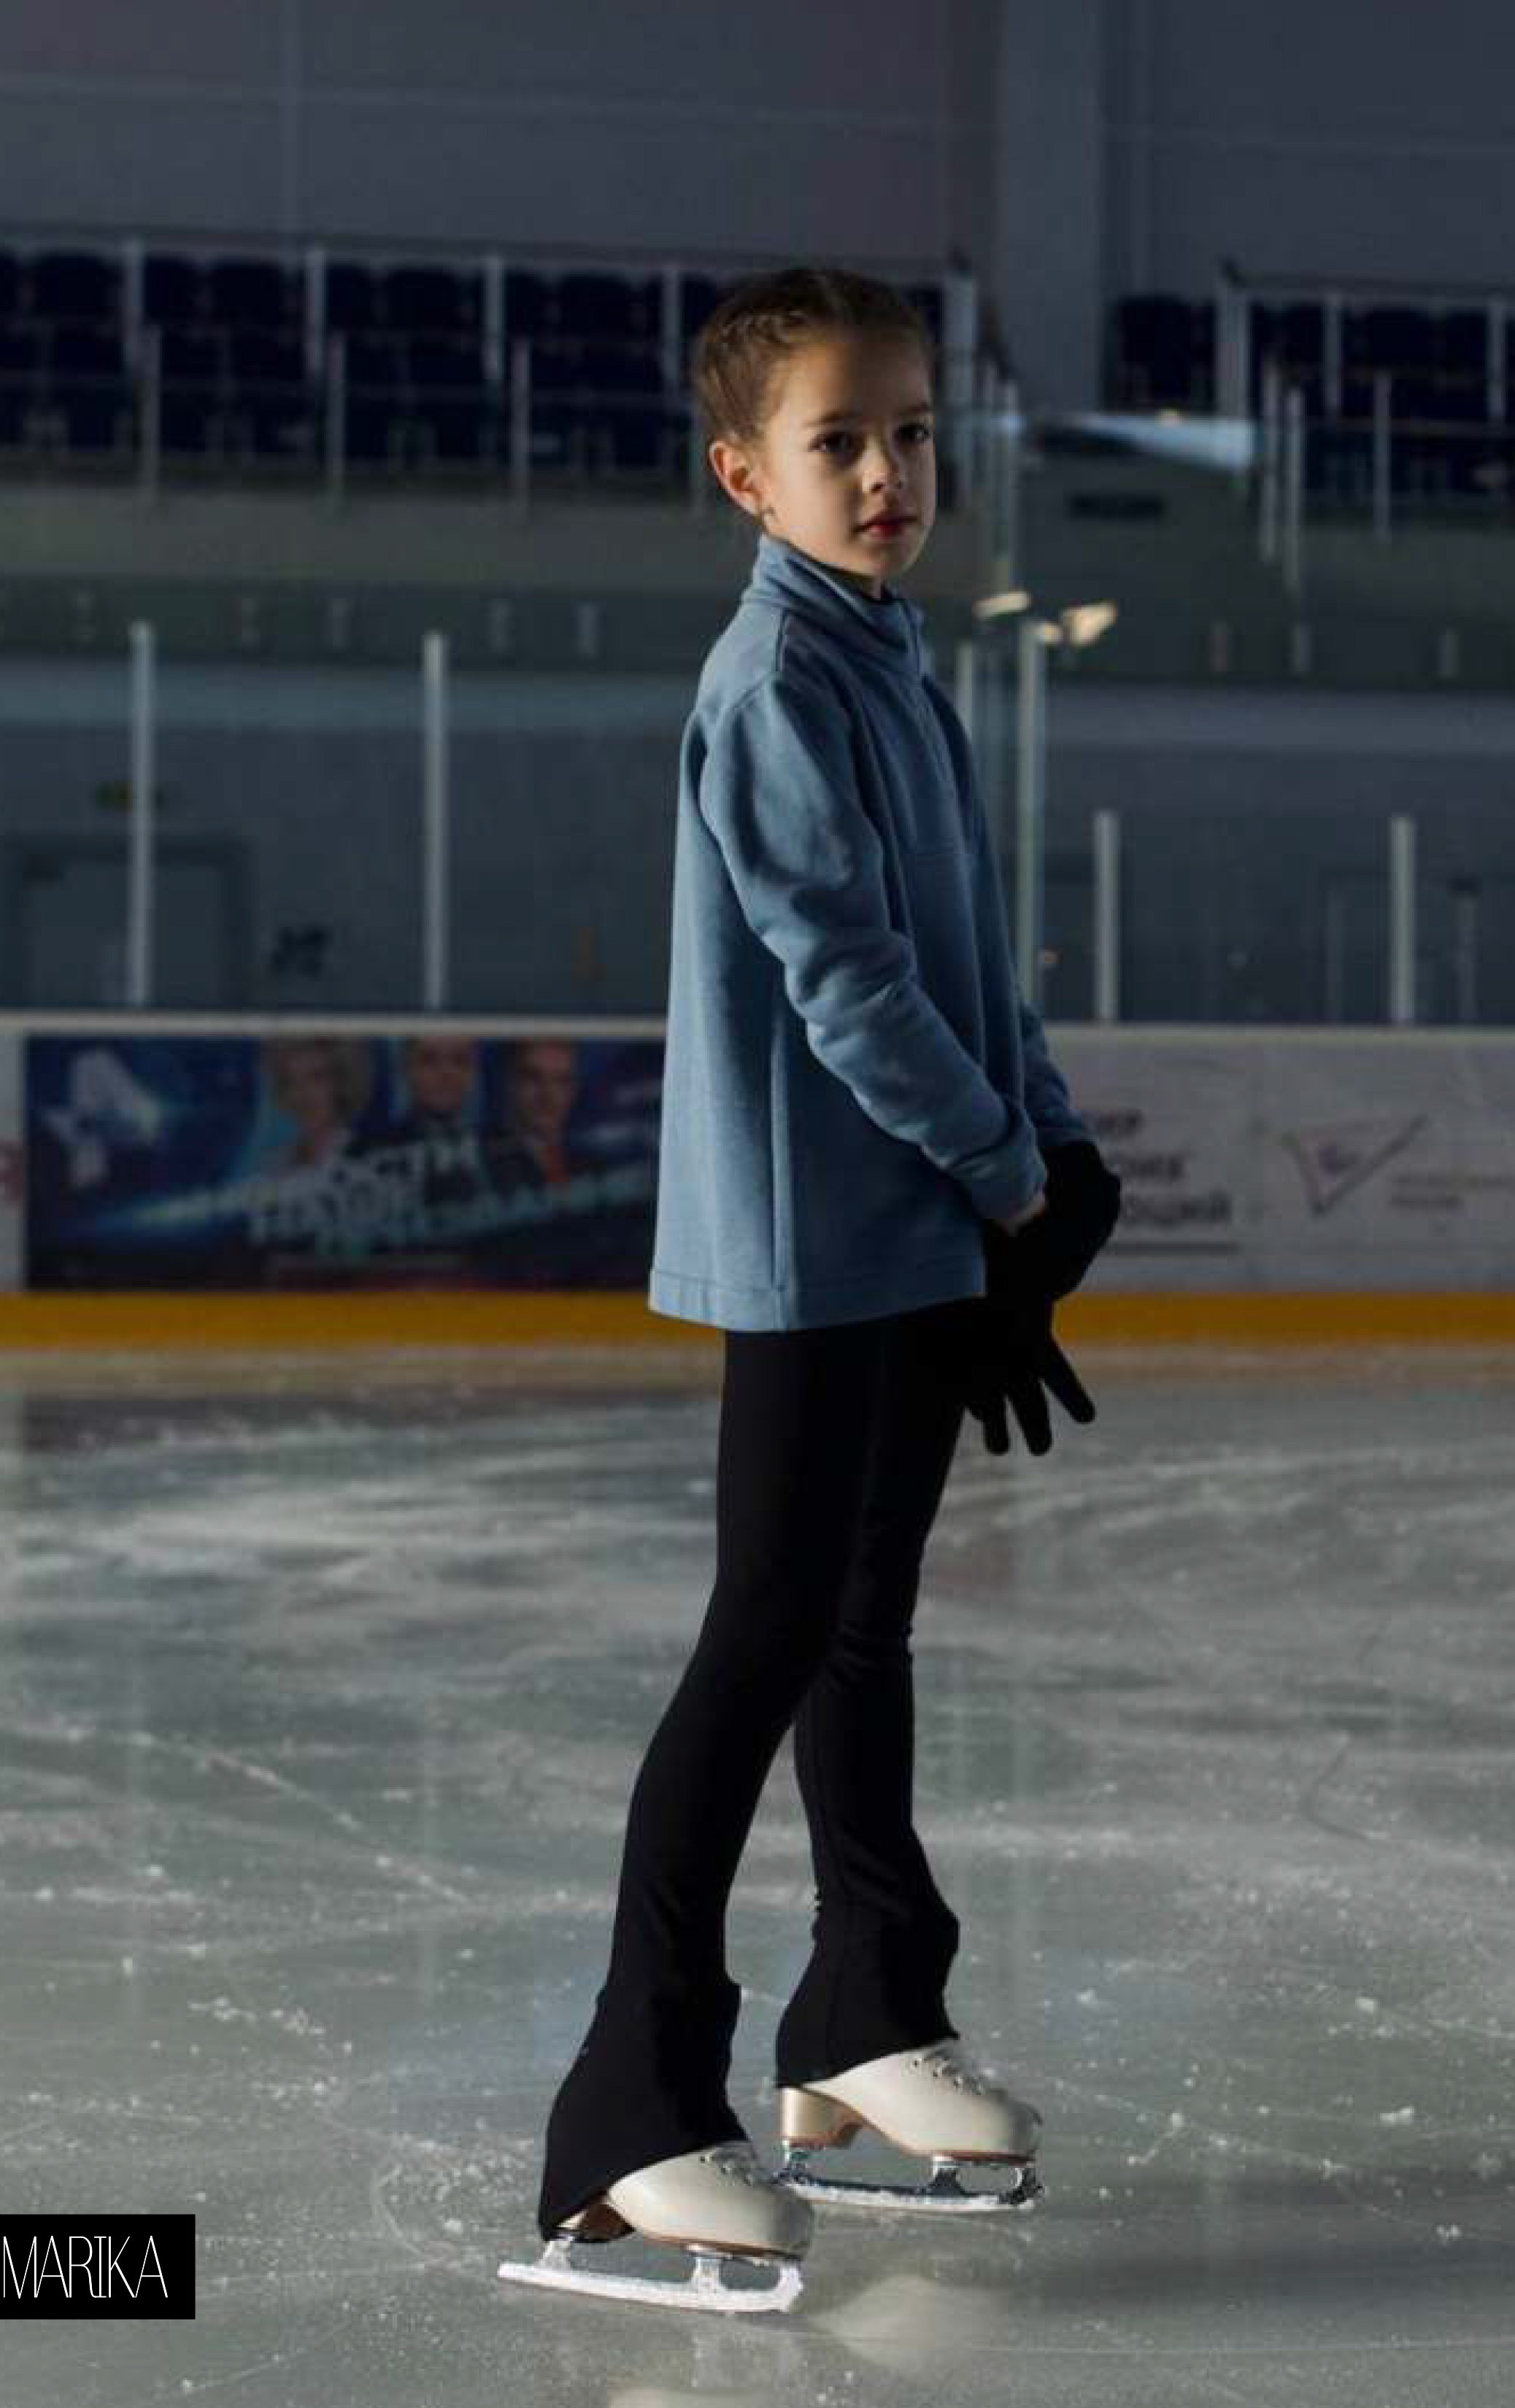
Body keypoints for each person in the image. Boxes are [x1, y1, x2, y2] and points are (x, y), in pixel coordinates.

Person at [501, 265, 1122, 2315]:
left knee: (864, 1625)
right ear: (743, 477)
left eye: (912, 432)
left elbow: (966, 948)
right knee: (764, 1633)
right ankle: (624, 2111)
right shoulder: (776, 683)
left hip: (916, 1222)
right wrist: (1006, 1174)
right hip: (818, 1230)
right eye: (838, 441)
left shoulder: (890, 660)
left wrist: (1043, 1152)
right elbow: (844, 978)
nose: (885, 470)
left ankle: (864, 2006)